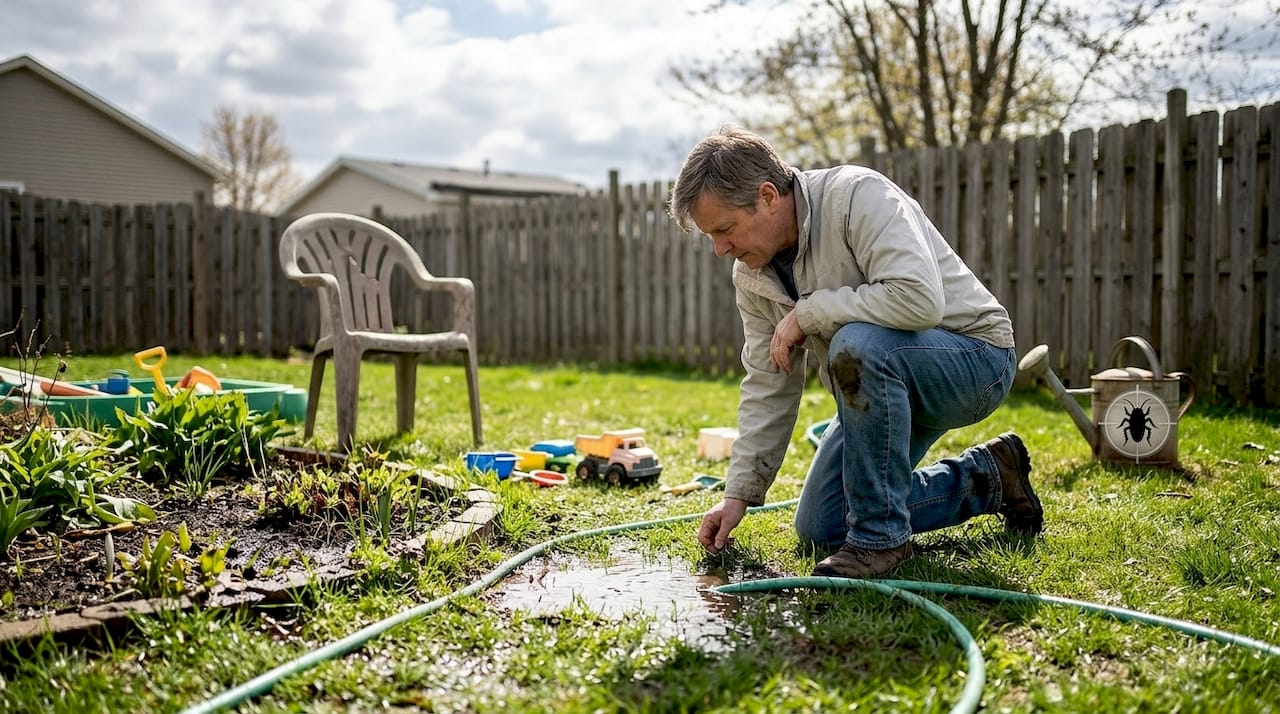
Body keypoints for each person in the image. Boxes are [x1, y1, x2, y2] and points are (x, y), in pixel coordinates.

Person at [668, 126, 1043, 578]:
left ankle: (880, 541)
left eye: (724, 229)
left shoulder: (857, 196)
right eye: (711, 236)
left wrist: (810, 314)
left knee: (856, 343)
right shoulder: (752, 275)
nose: (719, 249)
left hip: (973, 360)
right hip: (881, 383)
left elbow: (919, 299)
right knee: (821, 528)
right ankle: (988, 479)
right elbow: (769, 379)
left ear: (767, 196)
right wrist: (738, 493)